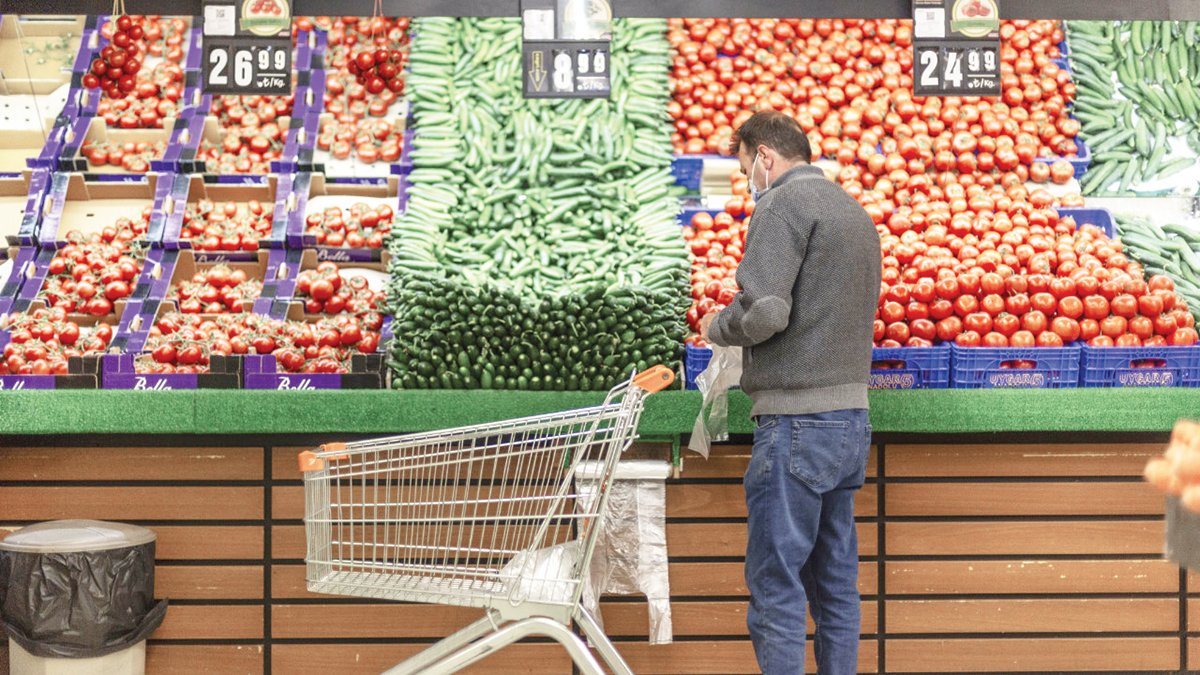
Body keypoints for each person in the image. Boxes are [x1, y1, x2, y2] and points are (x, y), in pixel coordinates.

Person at [700, 110, 882, 674]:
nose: (748, 179)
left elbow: (768, 311)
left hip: (796, 424)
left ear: (765, 157)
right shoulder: (853, 211)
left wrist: (716, 326)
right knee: (835, 588)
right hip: (850, 420)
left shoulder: (781, 205)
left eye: (744, 167)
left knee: (777, 589)